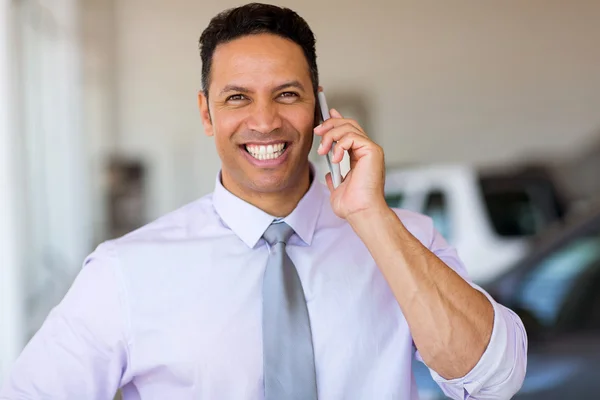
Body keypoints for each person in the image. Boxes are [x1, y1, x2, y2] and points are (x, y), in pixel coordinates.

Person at [0, 3, 527, 399]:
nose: (265, 121)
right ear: (206, 114)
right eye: (237, 98)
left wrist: (371, 217)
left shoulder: (405, 238)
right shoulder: (124, 270)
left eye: (287, 94)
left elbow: (494, 379)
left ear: (320, 107)